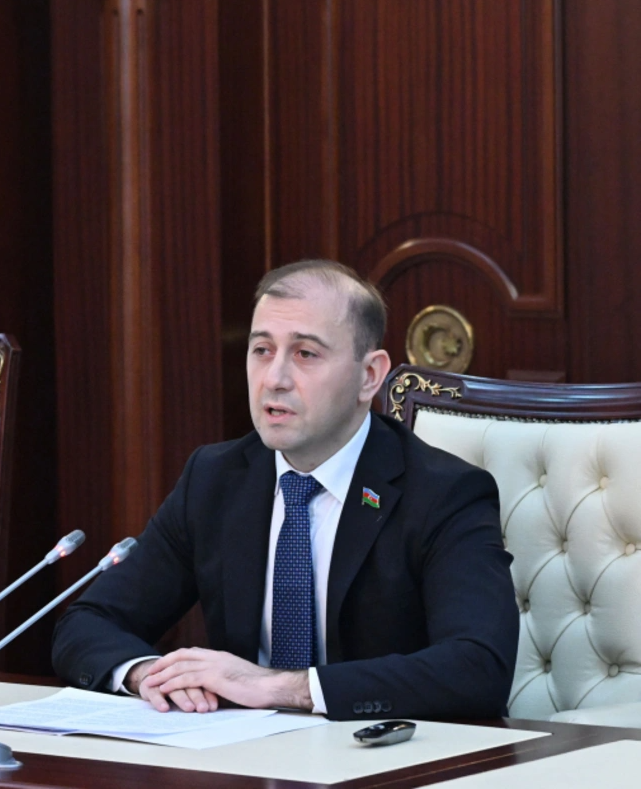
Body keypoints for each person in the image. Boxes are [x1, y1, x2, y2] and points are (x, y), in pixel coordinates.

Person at [51, 260, 518, 720]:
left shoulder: (444, 493)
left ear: (369, 376)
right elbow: (88, 623)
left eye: (305, 354)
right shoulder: (215, 479)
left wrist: (278, 687)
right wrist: (150, 675)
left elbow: (478, 667)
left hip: (380, 753)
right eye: (261, 350)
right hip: (241, 752)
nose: (274, 379)